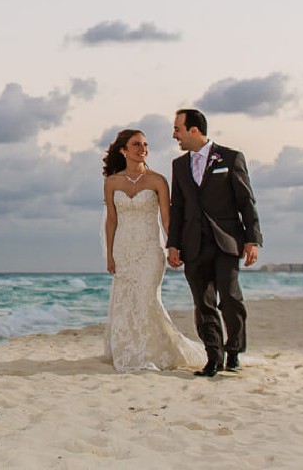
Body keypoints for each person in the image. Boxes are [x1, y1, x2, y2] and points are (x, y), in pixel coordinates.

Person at [166, 108, 262, 377]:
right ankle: (213, 356)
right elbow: (179, 208)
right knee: (203, 303)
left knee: (230, 298)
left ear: (194, 130)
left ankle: (234, 351)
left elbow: (246, 201)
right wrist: (173, 245)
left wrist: (252, 240)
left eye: (178, 129)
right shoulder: (179, 166)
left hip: (227, 240)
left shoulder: (230, 158)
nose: (175, 135)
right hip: (193, 243)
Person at [102, 128, 204, 371]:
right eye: (136, 144)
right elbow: (112, 220)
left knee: (148, 299)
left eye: (145, 145)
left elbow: (167, 219)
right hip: (124, 249)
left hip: (150, 248)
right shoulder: (112, 182)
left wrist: (173, 246)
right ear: (123, 150)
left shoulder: (158, 180)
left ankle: (153, 352)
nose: (143, 149)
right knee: (126, 301)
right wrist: (109, 254)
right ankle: (130, 350)